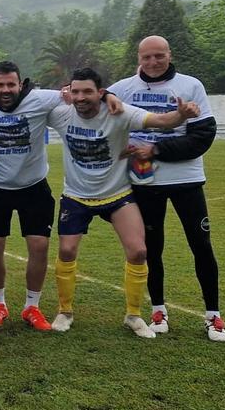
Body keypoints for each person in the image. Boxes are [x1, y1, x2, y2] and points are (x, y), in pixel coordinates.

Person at [0, 61, 117, 331]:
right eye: (0, 85)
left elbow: (77, 95)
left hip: (33, 187)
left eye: (11, 84)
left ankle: (32, 307)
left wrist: (108, 94)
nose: (6, 90)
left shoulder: (42, 99)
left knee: (39, 247)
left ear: (21, 84)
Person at [46, 68, 199, 337]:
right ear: (70, 91)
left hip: (117, 195)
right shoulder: (61, 113)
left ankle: (133, 315)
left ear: (101, 93)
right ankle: (65, 311)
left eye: (87, 91)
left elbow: (161, 121)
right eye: (76, 91)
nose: (81, 97)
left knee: (139, 251)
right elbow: (23, 104)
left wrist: (182, 115)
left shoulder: (119, 112)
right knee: (67, 252)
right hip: (76, 196)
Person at [110, 35, 225, 341]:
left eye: (159, 56)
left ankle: (213, 316)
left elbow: (203, 137)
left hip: (186, 181)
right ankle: (158, 310)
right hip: (144, 183)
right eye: (146, 57)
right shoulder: (123, 88)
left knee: (201, 246)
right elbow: (93, 105)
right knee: (151, 249)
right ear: (139, 57)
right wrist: (85, 95)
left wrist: (156, 150)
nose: (152, 62)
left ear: (169, 54)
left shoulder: (191, 86)